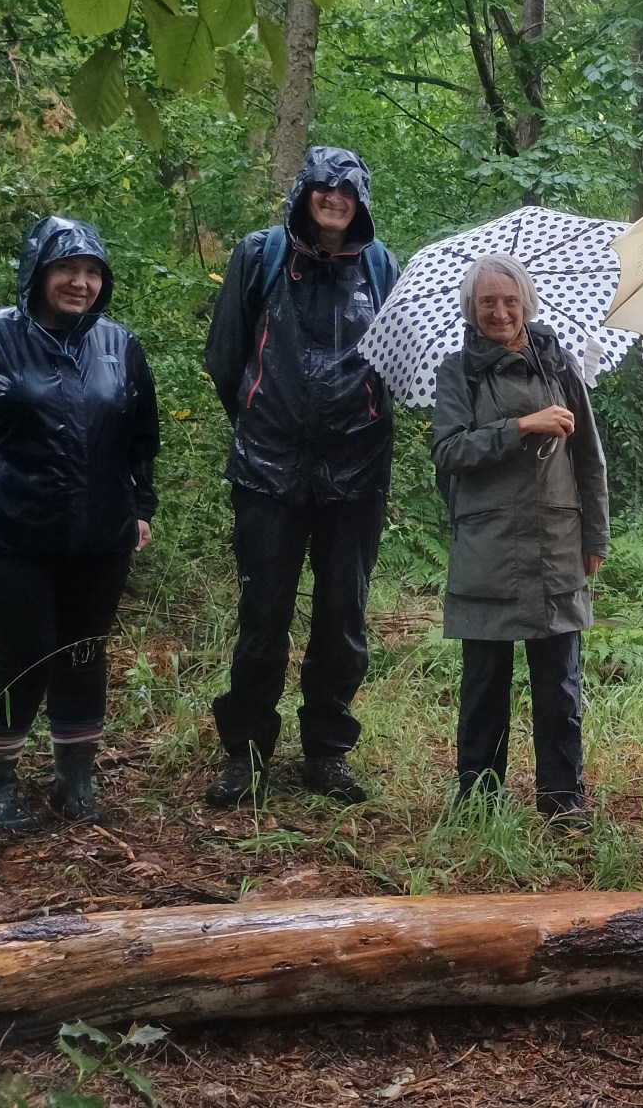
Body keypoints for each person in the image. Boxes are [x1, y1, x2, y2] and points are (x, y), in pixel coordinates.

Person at [0, 216, 158, 832]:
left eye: (93, 273)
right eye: (67, 269)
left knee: (85, 651)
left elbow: (142, 439)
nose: (80, 283)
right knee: (26, 652)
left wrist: (141, 508)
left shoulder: (120, 345)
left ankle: (75, 778)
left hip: (100, 532)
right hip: (6, 529)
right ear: (38, 272)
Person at [203, 147, 399, 807]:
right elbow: (226, 356)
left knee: (342, 616)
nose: (334, 199)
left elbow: (396, 364)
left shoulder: (380, 266)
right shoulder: (258, 256)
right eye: (323, 187)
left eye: (347, 192)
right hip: (268, 468)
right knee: (263, 614)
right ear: (304, 192)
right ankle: (246, 752)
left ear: (361, 202)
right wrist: (264, 418)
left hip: (357, 469)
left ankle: (328, 751)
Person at [432, 253, 609, 821]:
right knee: (486, 685)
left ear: (526, 304)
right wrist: (520, 428)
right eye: (488, 302)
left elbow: (590, 459)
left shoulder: (559, 368)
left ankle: (563, 801)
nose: (501, 312)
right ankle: (479, 803)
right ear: (472, 309)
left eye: (510, 301)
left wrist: (596, 536)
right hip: (488, 547)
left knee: (559, 683)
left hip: (557, 542)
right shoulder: (458, 372)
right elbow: (449, 451)